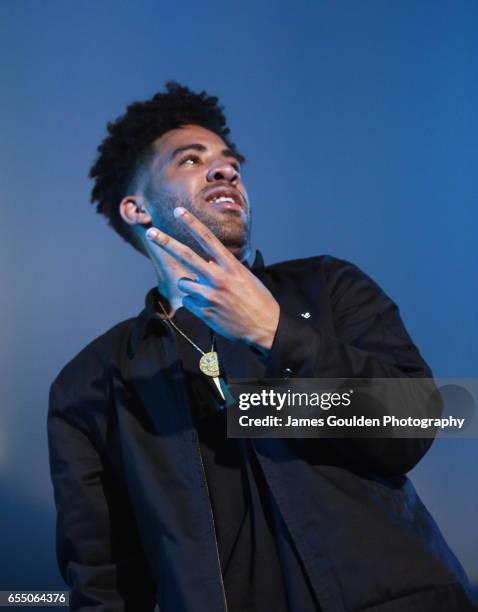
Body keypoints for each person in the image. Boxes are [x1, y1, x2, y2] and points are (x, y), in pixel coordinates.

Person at [47, 82, 477, 612]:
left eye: (231, 163)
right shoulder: (91, 383)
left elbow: (417, 421)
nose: (226, 171)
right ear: (136, 209)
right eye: (191, 159)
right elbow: (104, 580)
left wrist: (276, 332)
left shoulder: (329, 287)